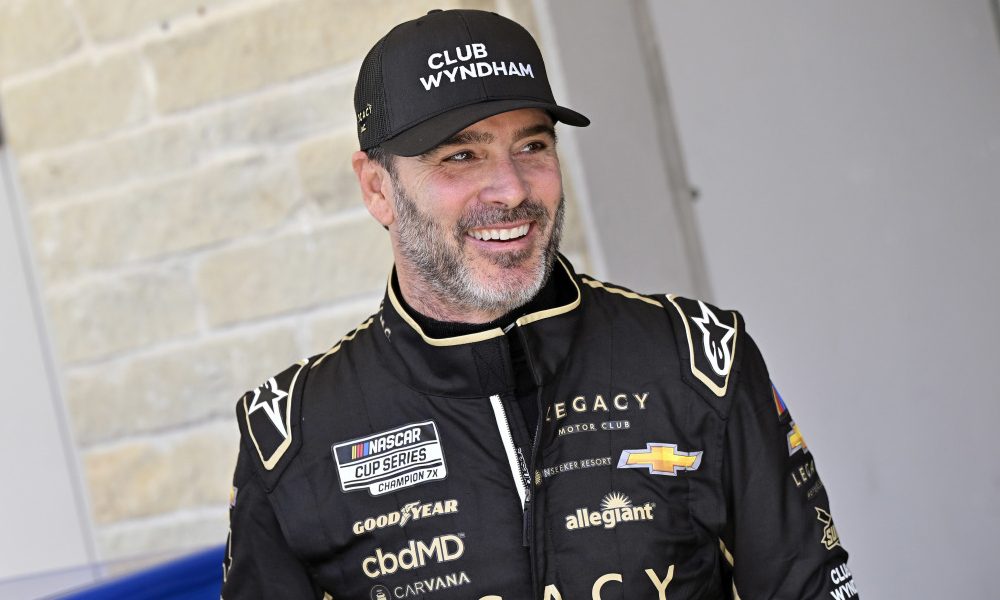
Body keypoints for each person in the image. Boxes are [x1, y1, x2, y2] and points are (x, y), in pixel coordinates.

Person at [222, 9, 858, 600]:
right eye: (461, 156)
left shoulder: (699, 363)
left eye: (532, 146)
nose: (511, 189)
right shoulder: (292, 437)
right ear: (377, 188)